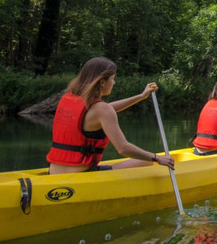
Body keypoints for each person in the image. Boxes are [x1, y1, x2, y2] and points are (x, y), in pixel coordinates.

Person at [47, 57, 176, 174]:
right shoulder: (101, 110)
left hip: (54, 172)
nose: (114, 83)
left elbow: (107, 109)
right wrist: (156, 157)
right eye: (113, 79)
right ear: (102, 82)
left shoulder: (68, 99)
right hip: (82, 175)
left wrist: (141, 96)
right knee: (147, 161)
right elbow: (123, 148)